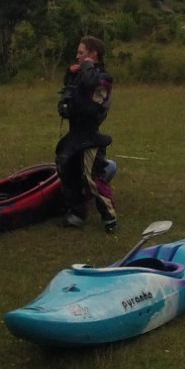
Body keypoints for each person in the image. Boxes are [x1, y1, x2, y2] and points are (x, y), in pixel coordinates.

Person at [56, 35, 118, 233]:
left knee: (92, 177)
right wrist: (65, 105)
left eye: (81, 53)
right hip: (75, 133)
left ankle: (110, 218)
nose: (77, 56)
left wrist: (87, 65)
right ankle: (77, 213)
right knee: (66, 168)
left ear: (93, 54)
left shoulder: (103, 77)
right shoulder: (83, 74)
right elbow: (69, 89)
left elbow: (93, 87)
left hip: (90, 135)